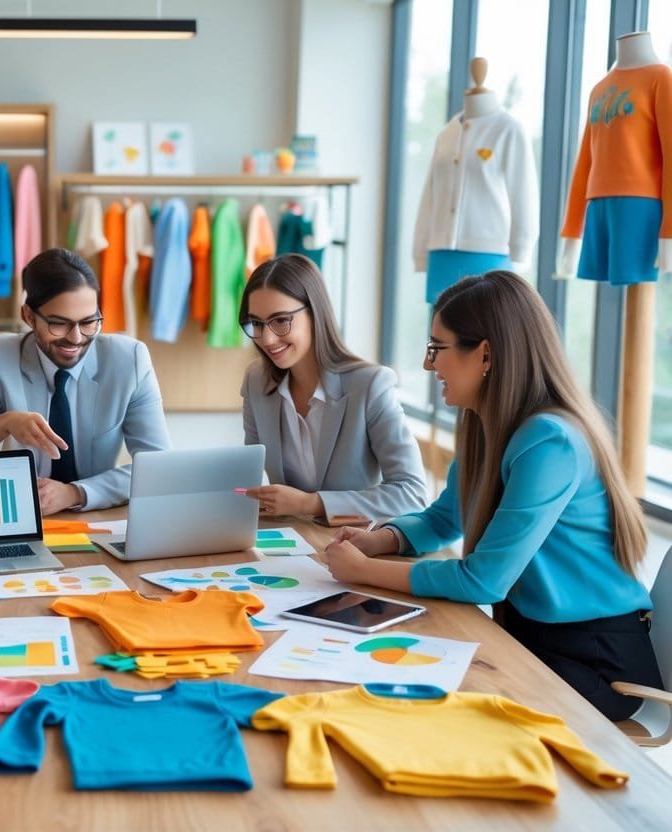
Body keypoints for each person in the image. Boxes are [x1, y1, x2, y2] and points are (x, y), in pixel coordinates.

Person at [325, 271, 662, 720]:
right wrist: (382, 540)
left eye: (437, 348)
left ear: (484, 354)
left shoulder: (549, 441)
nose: (429, 366)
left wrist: (366, 572)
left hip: (598, 661)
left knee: (422, 703)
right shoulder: (491, 427)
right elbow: (444, 521)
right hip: (533, 637)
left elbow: (483, 581)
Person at [0, 247, 170, 514]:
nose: (76, 338)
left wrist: (74, 493)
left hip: (97, 516)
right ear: (28, 316)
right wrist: (2, 424)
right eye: (59, 324)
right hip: (24, 516)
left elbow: (158, 468)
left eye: (88, 322)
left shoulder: (129, 361)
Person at [238, 254, 426, 522]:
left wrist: (309, 504)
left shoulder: (370, 385)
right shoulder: (256, 382)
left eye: (280, 320)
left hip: (354, 550)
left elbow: (413, 494)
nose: (267, 339)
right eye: (256, 323)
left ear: (315, 313)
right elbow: (250, 474)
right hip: (294, 543)